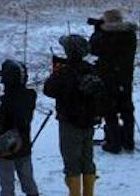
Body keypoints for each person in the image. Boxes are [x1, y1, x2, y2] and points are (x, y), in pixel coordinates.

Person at [43, 35, 100, 196]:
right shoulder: (90, 68)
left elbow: (48, 90)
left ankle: (74, 193)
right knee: (87, 159)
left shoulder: (64, 72)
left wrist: (56, 71)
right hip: (88, 122)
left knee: (71, 162)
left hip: (69, 123)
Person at [0, 59, 40, 196]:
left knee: (7, 186)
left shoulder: (5, 101)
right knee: (28, 182)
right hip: (24, 146)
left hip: (5, 149)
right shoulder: (30, 96)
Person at [88, 8, 137, 153]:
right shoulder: (130, 34)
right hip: (126, 77)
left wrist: (98, 29)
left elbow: (93, 49)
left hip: (108, 78)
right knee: (127, 109)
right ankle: (129, 142)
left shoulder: (104, 36)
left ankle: (113, 143)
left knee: (109, 111)